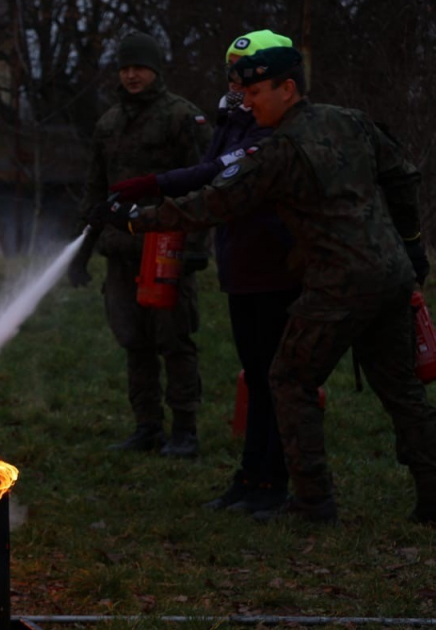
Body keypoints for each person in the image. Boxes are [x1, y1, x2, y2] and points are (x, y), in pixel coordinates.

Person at [90, 46, 436, 524]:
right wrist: (412, 244)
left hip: (336, 286)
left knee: (288, 380)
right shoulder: (351, 121)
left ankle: (312, 502)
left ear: (288, 88)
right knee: (402, 393)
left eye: (255, 92)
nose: (247, 103)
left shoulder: (278, 151)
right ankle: (432, 494)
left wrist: (134, 221)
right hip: (392, 276)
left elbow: (214, 204)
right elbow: (402, 175)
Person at [108, 30, 295, 513]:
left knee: (275, 380)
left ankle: (274, 483)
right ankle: (251, 478)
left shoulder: (276, 131)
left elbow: (215, 180)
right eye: (233, 76)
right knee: (256, 378)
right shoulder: (233, 117)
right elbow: (214, 165)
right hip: (240, 264)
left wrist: (151, 196)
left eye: (249, 81)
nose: (239, 89)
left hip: (274, 267)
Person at [68, 32, 213, 456]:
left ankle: (185, 429)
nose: (132, 75)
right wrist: (82, 249)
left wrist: (194, 246)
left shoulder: (182, 118)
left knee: (175, 340)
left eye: (140, 67)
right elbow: (96, 189)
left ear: (156, 70)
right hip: (120, 252)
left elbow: (206, 186)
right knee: (134, 341)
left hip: (166, 249)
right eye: (125, 68)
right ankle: (147, 426)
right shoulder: (109, 123)